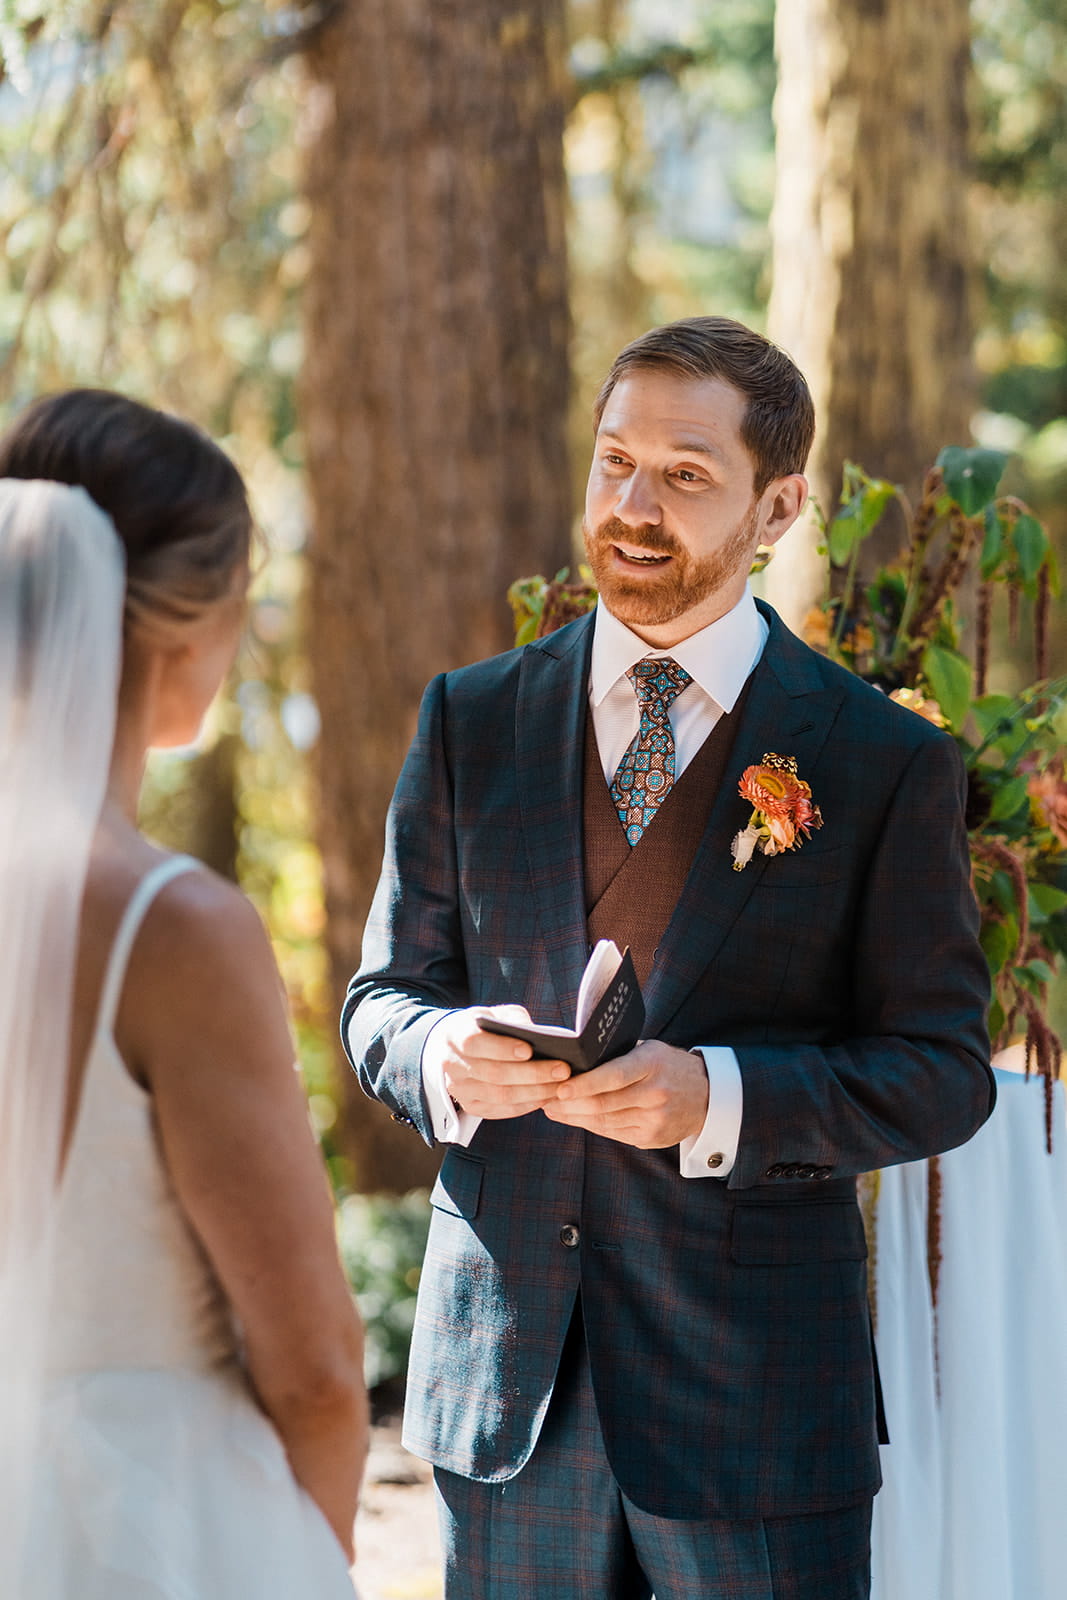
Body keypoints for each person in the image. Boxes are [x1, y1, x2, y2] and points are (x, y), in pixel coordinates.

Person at [343, 316, 994, 1600]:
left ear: (778, 505)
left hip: (757, 1411)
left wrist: (719, 1098)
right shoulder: (468, 719)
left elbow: (939, 1071)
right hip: (504, 1399)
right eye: (613, 462)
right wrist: (442, 1054)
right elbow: (380, 1001)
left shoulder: (880, 761)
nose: (633, 507)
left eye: (685, 474)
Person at [0, 391, 367, 1599]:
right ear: (177, 628)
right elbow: (312, 1365)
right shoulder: (175, 929)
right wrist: (303, 1554)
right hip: (152, 1532)